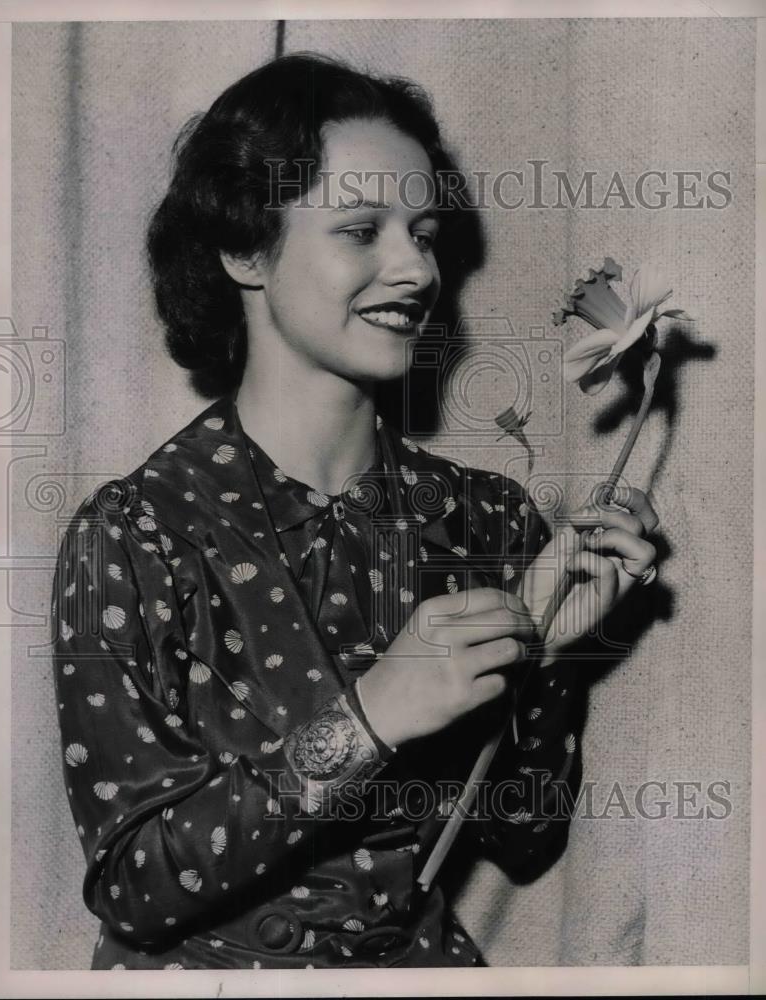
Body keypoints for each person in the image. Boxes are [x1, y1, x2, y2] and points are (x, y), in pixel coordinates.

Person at [51, 52, 659, 970]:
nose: (415, 268)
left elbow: (524, 838)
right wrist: (366, 720)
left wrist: (549, 653)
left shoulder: (490, 520)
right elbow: (134, 883)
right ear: (243, 248)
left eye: (424, 231)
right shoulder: (134, 532)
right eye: (361, 229)